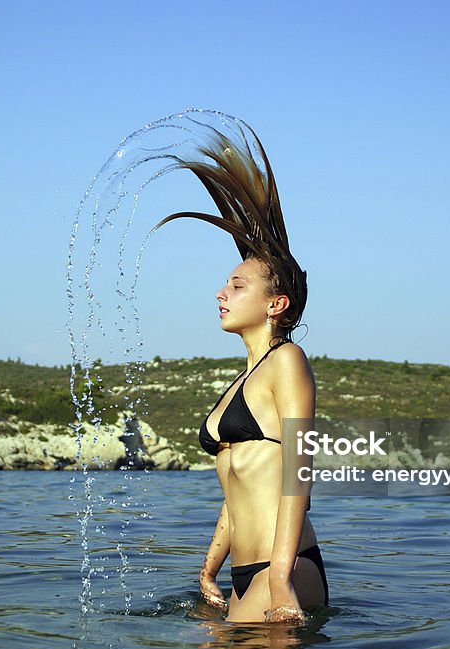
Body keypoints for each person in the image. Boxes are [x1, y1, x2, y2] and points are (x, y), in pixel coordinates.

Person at [156, 122, 328, 623]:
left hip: (286, 567)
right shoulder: (241, 382)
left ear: (276, 303)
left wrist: (278, 579)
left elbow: (299, 468)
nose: (220, 294)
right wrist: (209, 569)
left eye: (236, 286)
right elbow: (237, 489)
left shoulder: (287, 361)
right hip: (244, 570)